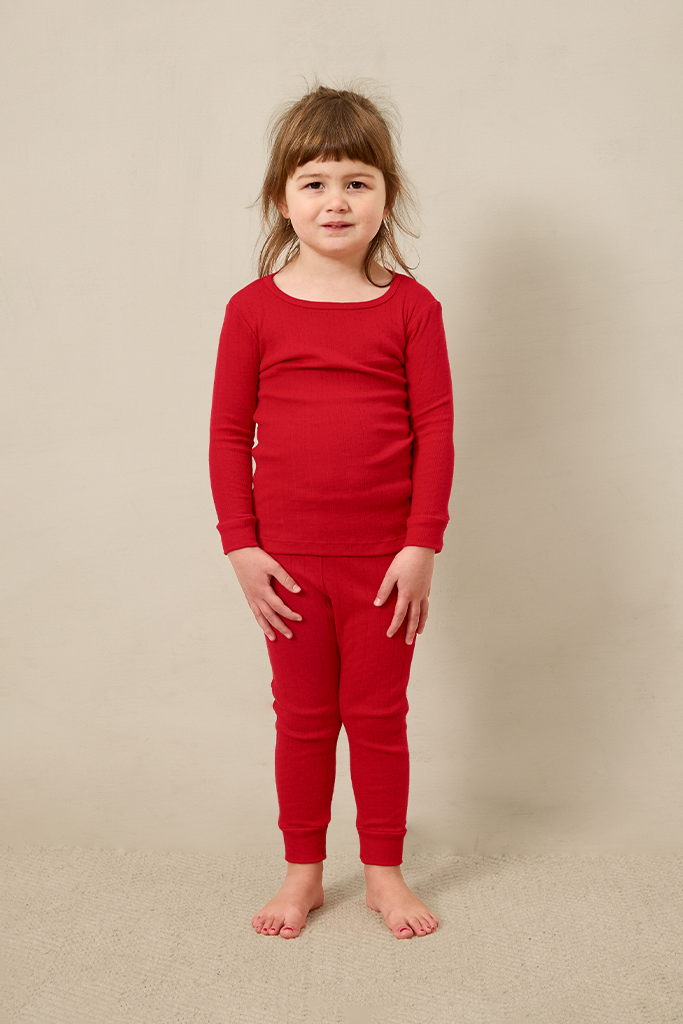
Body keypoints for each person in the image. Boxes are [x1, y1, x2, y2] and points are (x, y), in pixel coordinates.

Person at [209, 82, 454, 940]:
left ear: (387, 198)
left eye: (357, 181)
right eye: (314, 181)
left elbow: (436, 429)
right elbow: (227, 434)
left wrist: (421, 543)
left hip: (386, 561)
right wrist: (241, 547)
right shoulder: (252, 311)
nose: (335, 200)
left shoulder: (412, 310)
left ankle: (383, 872)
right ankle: (303, 873)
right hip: (287, 564)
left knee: (380, 722)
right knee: (304, 720)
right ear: (283, 197)